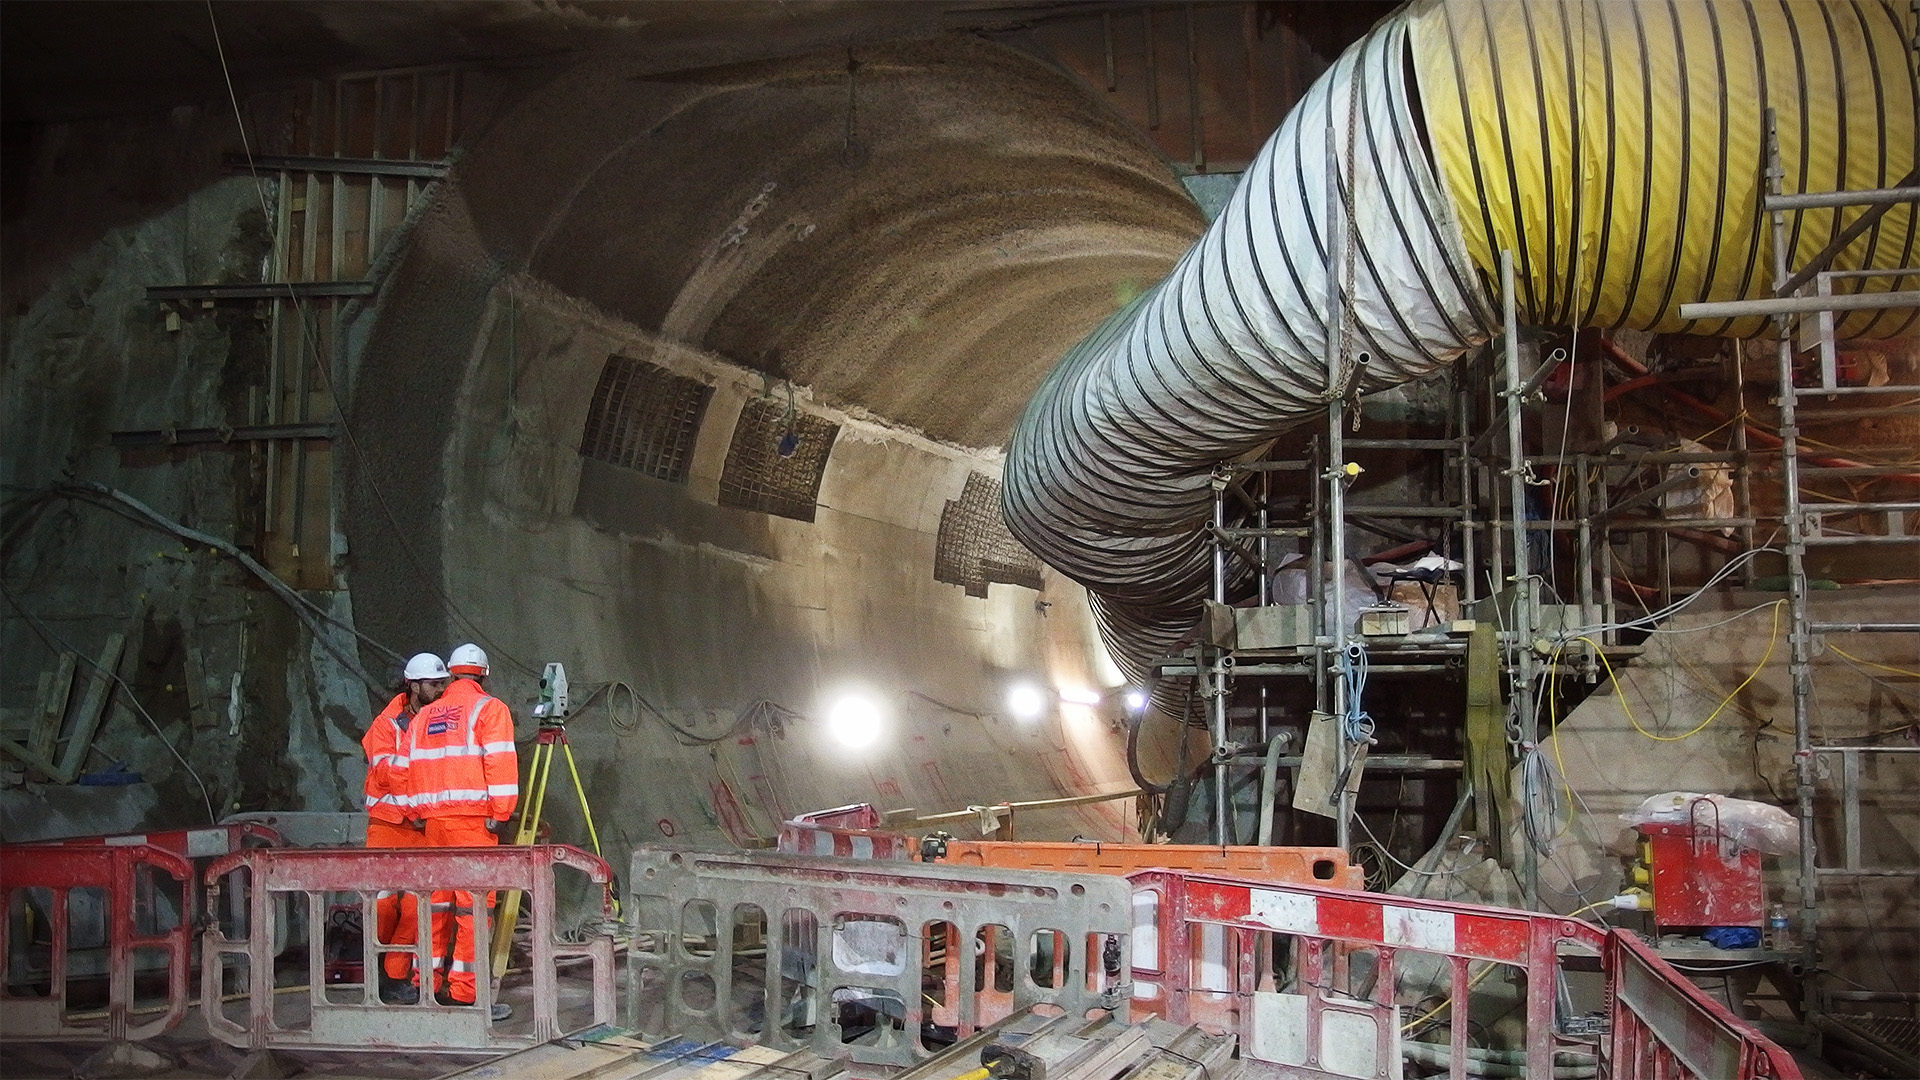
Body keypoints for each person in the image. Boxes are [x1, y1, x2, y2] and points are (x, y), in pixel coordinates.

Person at [404, 642, 518, 1019]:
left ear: (451, 674)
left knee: (432, 904)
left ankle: (425, 984)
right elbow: (500, 763)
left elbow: (410, 769)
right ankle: (465, 993)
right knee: (472, 909)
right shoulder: (490, 709)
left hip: (432, 826)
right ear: (483, 673)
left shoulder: (423, 716)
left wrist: (419, 813)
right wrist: (501, 813)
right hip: (472, 825)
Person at [361, 652, 449, 1006]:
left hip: (420, 825)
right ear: (413, 686)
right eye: (433, 684)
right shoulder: (386, 724)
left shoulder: (438, 718)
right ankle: (372, 972)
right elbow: (386, 773)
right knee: (382, 906)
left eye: (443, 683)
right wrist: (415, 804)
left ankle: (396, 978)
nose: (440, 689)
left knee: (416, 907)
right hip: (387, 825)